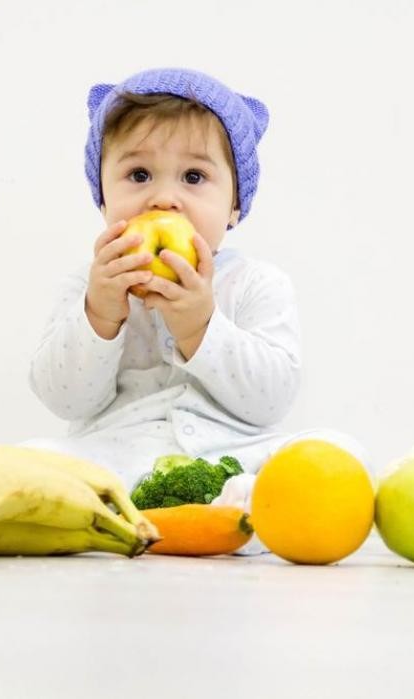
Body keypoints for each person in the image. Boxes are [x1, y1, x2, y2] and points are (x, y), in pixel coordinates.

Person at [23, 67, 366, 498]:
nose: (165, 199)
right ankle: (129, 512)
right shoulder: (90, 284)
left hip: (234, 453)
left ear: (234, 206)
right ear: (103, 197)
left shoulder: (256, 283)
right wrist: (99, 314)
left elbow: (271, 401)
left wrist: (200, 327)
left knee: (338, 452)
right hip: (116, 454)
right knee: (33, 457)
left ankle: (243, 507)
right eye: (140, 175)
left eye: (193, 177)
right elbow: (65, 400)